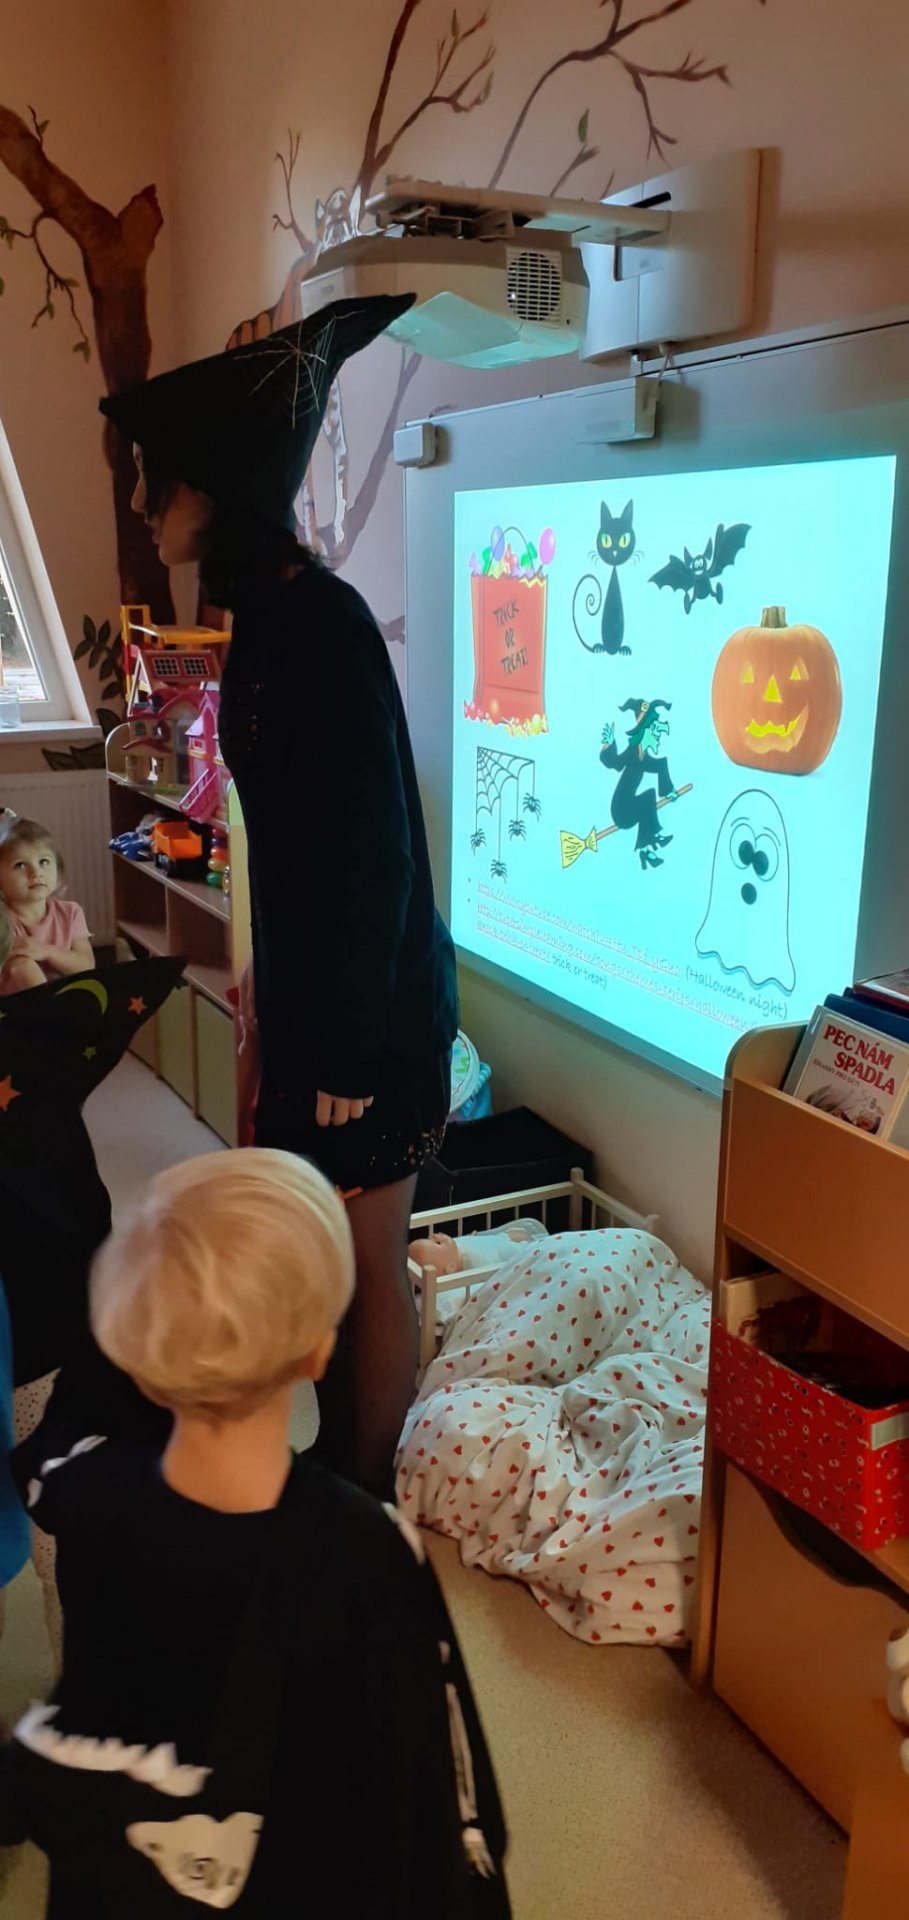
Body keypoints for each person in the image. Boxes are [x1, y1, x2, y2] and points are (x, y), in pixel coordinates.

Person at [99, 297, 460, 1499]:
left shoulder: (316, 627)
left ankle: (366, 1510)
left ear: (217, 489)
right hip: (323, 999)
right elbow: (299, 841)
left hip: (372, 1020)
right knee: (324, 1267)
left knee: (361, 1272)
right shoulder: (259, 617)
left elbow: (373, 858)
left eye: (158, 482)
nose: (144, 506)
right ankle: (337, 1495)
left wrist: (344, 1048)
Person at [0, 1148, 511, 1918]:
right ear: (319, 1350)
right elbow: (436, 1777)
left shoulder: (92, 1498)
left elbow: (93, 1694)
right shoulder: (367, 1548)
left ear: (135, 1358)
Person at [0, 814, 94, 993]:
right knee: (23, 965)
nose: (36, 873)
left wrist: (47, 951)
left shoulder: (71, 913)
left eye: (43, 862)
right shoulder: (3, 922)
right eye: (20, 865)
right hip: (16, 1006)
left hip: (66, 999)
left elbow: (86, 965)